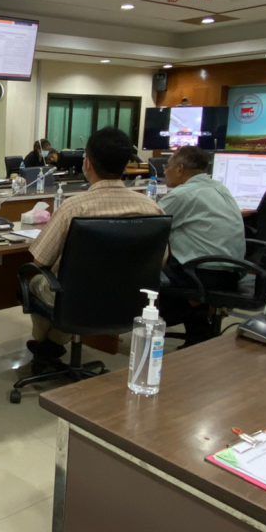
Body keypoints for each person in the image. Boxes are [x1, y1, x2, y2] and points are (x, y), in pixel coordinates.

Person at [26, 127, 163, 369]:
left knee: (35, 279)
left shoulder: (74, 208)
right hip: (129, 299)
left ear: (87, 163)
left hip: (76, 300)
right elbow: (160, 260)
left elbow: (40, 261)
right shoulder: (152, 208)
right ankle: (52, 345)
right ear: (126, 165)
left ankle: (46, 344)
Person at [158, 146, 246, 343]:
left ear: (180, 169)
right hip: (230, 272)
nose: (165, 171)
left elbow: (151, 225)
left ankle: (188, 313)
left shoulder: (183, 194)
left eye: (167, 166)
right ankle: (198, 327)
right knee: (179, 254)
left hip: (203, 274)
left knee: (142, 272)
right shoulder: (220, 188)